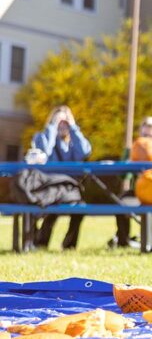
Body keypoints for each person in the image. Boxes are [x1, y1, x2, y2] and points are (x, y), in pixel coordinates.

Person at [31, 105, 92, 249]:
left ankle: (69, 244)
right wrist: (52, 127)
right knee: (47, 207)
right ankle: (40, 241)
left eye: (66, 122)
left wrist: (73, 127)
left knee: (80, 208)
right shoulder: (42, 137)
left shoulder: (74, 143)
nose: (62, 125)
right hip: (48, 187)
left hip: (69, 188)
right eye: (59, 121)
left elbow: (84, 152)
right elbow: (44, 150)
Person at [109, 116, 152, 249]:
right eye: (144, 135)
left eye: (150, 135)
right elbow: (122, 176)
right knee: (121, 201)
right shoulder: (134, 149)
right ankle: (123, 240)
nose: (147, 139)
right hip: (138, 192)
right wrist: (129, 165)